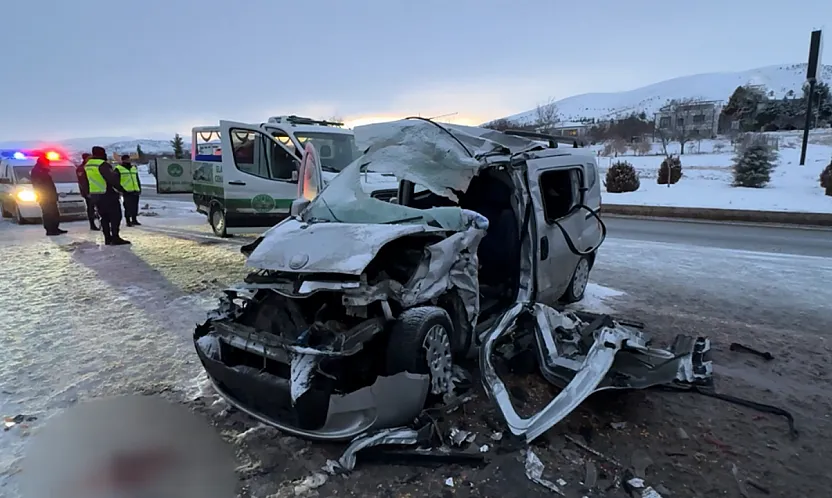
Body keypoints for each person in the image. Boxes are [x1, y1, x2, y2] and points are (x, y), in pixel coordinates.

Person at [83, 146, 130, 245]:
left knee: (104, 217)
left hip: (95, 195)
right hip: (107, 194)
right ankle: (115, 238)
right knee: (115, 216)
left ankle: (107, 238)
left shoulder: (88, 165)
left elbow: (84, 181)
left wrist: (88, 193)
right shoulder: (102, 165)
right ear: (102, 154)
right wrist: (122, 190)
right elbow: (111, 179)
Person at [30, 154, 67, 236]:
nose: (49, 165)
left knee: (54, 212)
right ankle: (50, 230)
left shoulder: (43, 171)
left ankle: (55, 228)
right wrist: (44, 195)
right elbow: (39, 185)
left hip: (50, 196)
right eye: (47, 163)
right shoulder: (38, 171)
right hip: (45, 197)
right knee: (48, 213)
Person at [115, 154, 142, 226]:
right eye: (127, 159)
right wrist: (120, 190)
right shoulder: (118, 168)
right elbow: (116, 180)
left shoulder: (133, 168)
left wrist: (139, 188)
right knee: (127, 206)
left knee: (135, 206)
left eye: (129, 159)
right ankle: (128, 221)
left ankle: (134, 219)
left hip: (135, 190)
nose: (128, 160)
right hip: (126, 191)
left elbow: (137, 179)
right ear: (123, 160)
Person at [76, 152, 100, 230]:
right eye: (89, 157)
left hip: (96, 190)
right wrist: (87, 192)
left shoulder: (91, 166)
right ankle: (92, 224)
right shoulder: (81, 168)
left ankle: (101, 223)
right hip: (88, 192)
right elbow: (82, 182)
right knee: (91, 208)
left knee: (99, 208)